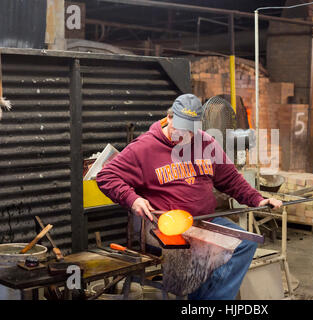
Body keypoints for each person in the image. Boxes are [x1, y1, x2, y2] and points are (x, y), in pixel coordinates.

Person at [96, 93, 282, 300]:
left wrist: (258, 200)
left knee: (246, 243)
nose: (186, 136)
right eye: (181, 129)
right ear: (169, 118)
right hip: (166, 227)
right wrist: (133, 199)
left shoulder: (206, 142)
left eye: (191, 131)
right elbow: (106, 176)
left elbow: (230, 178)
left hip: (204, 221)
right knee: (205, 255)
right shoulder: (144, 147)